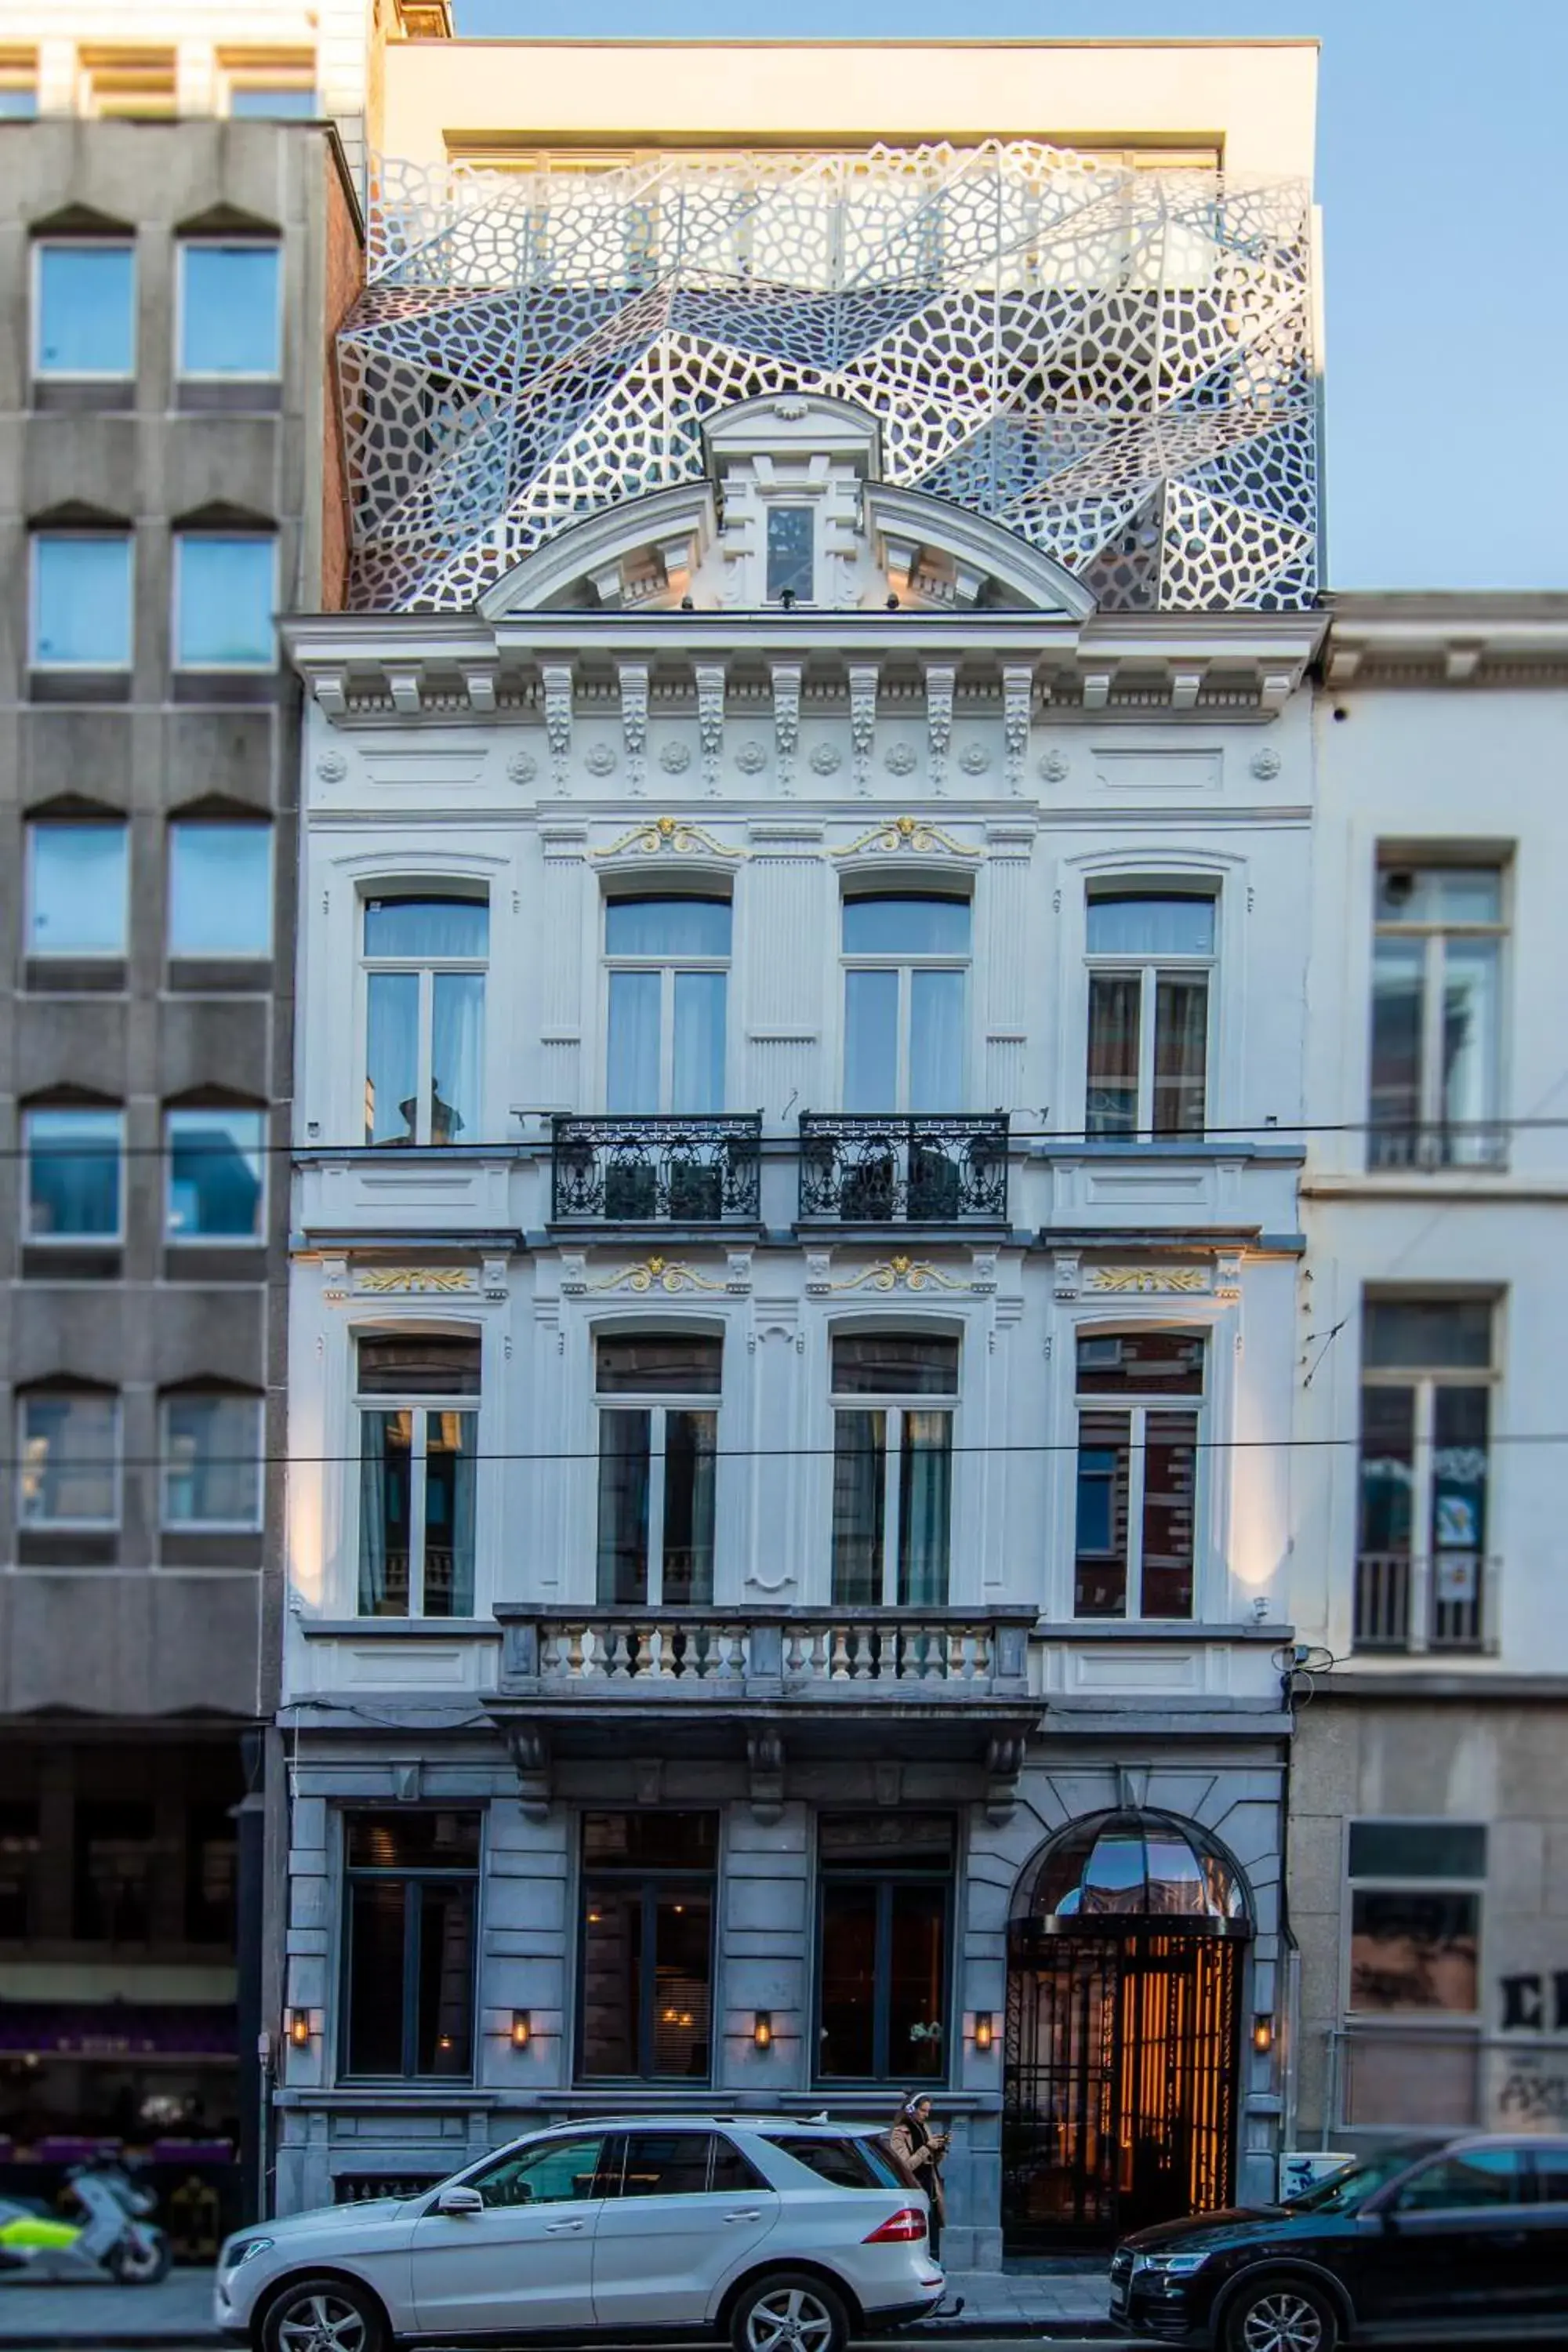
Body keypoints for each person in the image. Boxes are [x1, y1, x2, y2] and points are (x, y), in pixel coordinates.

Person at [885, 2092, 949, 2259]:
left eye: (928, 2111)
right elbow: (905, 2166)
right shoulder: (900, 2133)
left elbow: (931, 2163)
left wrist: (940, 2150)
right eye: (923, 2110)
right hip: (913, 2188)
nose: (926, 2115)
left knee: (933, 2230)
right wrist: (927, 2147)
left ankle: (935, 2264)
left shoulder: (925, 2128)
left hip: (930, 2187)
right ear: (911, 2108)